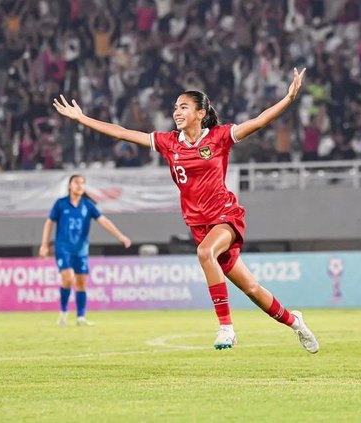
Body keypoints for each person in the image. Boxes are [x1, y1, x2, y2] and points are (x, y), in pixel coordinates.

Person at [52, 68, 319, 354]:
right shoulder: (169, 143)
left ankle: (226, 327)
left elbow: (258, 121)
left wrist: (289, 98)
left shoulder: (219, 137)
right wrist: (82, 119)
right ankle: (296, 322)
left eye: (183, 107)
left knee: (205, 253)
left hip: (225, 217)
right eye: (175, 108)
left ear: (200, 113)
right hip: (198, 225)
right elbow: (122, 133)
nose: (176, 112)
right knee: (252, 290)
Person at [39, 174, 131, 326]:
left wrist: (120, 236)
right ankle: (63, 314)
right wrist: (44, 244)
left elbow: (104, 221)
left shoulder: (88, 205)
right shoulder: (60, 204)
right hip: (63, 249)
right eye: (76, 183)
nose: (80, 186)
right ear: (70, 186)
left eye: (82, 183)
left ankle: (80, 318)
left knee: (81, 284)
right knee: (68, 279)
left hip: (81, 251)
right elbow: (49, 223)